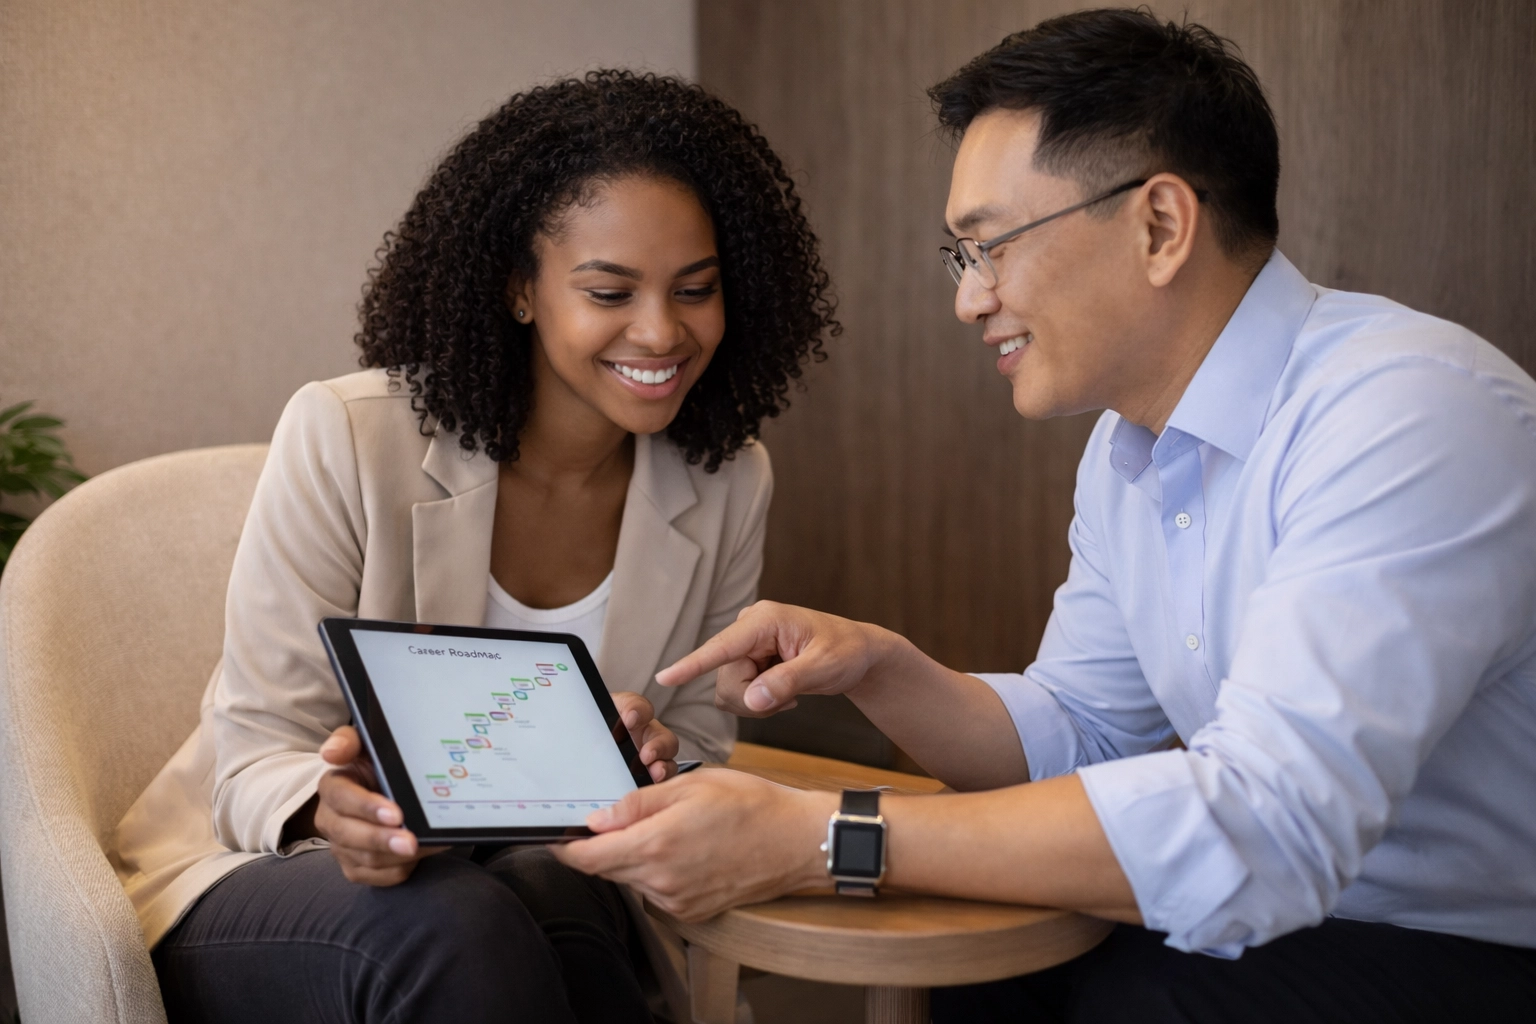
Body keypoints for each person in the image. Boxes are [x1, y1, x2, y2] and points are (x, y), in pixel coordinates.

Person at [552, 11, 1536, 1022]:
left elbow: (1267, 830)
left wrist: (826, 834)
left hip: (1458, 944)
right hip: (1282, 919)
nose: (970, 300)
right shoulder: (1126, 448)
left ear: (1160, 225)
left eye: (992, 247)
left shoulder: (1407, 413)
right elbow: (1087, 731)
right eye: (960, 257)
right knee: (989, 973)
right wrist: (886, 669)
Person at [111, 70, 837, 1022]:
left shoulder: (724, 475)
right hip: (266, 878)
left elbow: (696, 751)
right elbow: (255, 755)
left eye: (695, 290)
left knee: (563, 903)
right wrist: (334, 810)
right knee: (461, 919)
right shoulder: (347, 435)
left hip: (529, 884)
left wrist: (655, 766)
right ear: (519, 290)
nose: (662, 331)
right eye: (609, 290)